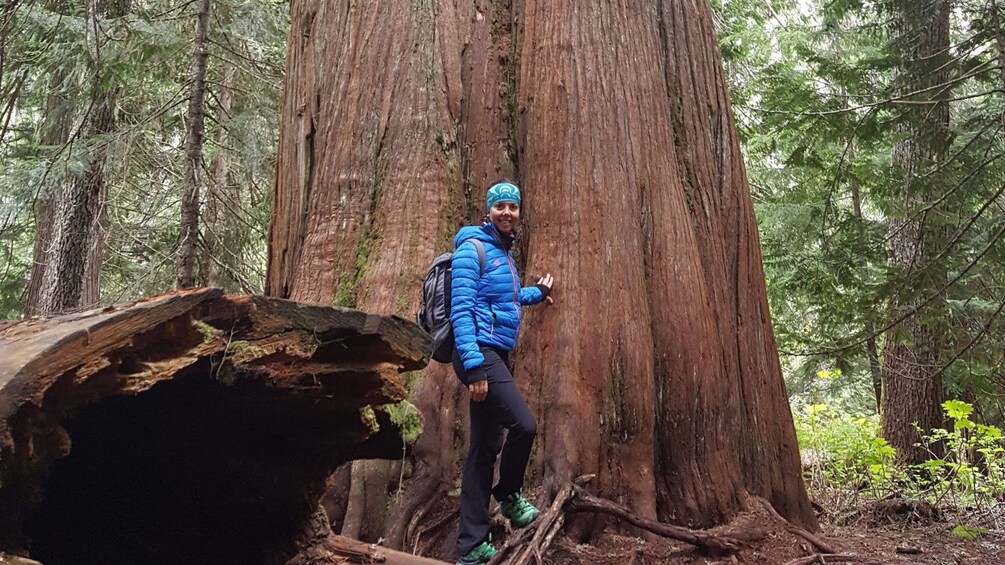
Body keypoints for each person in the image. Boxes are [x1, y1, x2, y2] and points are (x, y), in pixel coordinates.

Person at [449, 181, 554, 565]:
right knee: (524, 425)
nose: (507, 213)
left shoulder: (503, 253)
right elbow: (461, 310)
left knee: (483, 450)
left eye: (513, 206)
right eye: (500, 207)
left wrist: (536, 294)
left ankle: (471, 547)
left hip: (493, 355)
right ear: (488, 211)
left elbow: (504, 300)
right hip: (480, 355)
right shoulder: (472, 249)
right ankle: (508, 494)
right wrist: (475, 366)